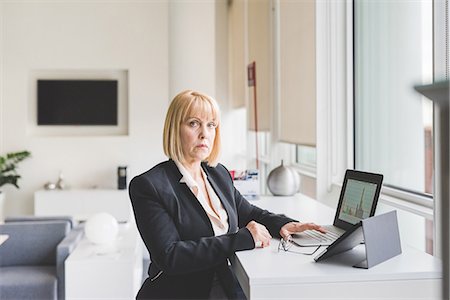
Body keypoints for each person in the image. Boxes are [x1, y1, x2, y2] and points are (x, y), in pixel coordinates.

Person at [129, 90, 325, 300]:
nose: (205, 133)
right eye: (194, 123)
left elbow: (246, 212)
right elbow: (171, 256)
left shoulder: (217, 173)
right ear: (174, 129)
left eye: (211, 125)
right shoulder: (149, 186)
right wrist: (241, 239)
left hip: (225, 284)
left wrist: (282, 224)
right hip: (180, 292)